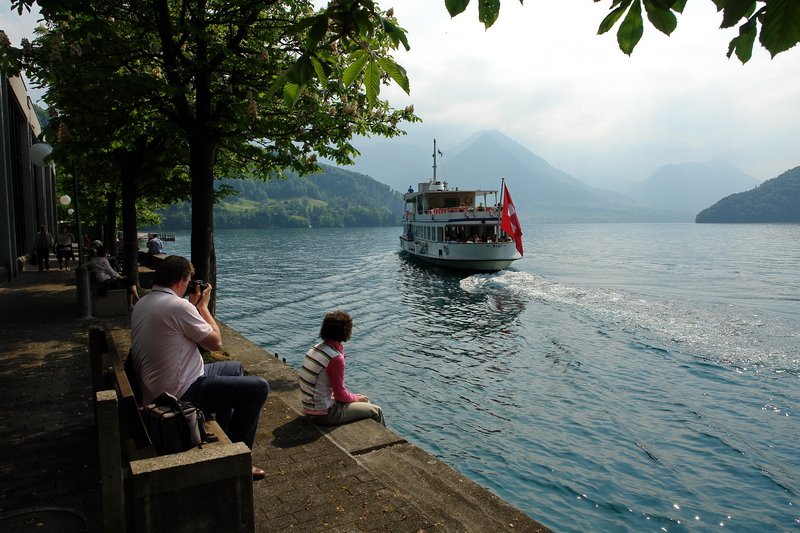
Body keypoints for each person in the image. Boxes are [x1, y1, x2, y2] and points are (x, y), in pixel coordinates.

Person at [130, 255, 270, 480]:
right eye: (188, 281)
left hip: (157, 386)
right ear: (180, 281)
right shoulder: (177, 306)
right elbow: (216, 343)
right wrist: (203, 307)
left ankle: (227, 443)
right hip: (177, 395)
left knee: (235, 368)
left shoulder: (143, 302)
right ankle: (238, 457)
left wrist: (193, 307)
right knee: (259, 387)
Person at [299, 311, 385, 426]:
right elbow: (340, 395)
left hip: (310, 407)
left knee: (363, 401)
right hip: (323, 414)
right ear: (346, 331)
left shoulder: (316, 349)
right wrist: (356, 398)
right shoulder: (335, 358)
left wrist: (355, 398)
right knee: (376, 411)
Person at [87, 245, 139, 310]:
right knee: (128, 282)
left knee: (128, 281)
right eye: (107, 253)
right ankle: (134, 301)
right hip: (107, 283)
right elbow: (112, 272)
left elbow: (86, 265)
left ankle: (134, 300)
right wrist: (121, 277)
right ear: (105, 253)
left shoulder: (93, 261)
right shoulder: (104, 261)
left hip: (103, 283)